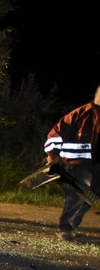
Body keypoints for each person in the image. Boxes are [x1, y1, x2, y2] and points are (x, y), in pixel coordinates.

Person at [44, 85, 100, 241]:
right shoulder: (80, 114)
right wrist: (52, 154)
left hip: (98, 164)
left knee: (93, 196)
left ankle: (73, 224)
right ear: (96, 95)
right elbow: (55, 134)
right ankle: (65, 228)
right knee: (78, 191)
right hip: (79, 162)